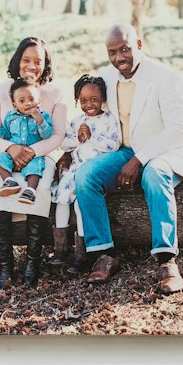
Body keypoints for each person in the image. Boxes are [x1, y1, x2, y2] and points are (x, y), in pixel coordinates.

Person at [74, 23, 183, 293]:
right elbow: (90, 115)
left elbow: (178, 130)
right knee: (84, 176)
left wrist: (139, 159)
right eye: (112, 52)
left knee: (154, 173)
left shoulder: (166, 77)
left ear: (139, 45)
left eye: (125, 49)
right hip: (125, 150)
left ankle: (166, 261)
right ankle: (104, 253)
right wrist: (69, 153)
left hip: (165, 152)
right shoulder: (107, 77)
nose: (119, 58)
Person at [0, 37, 66, 287]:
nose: (32, 66)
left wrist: (31, 151)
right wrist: (11, 148)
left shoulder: (55, 94)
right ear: (17, 61)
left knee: (41, 190)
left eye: (38, 61)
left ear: (46, 65)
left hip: (40, 157)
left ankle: (32, 263)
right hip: (4, 156)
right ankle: (5, 266)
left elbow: (57, 135)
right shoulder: (0, 91)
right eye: (26, 60)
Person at [49, 74, 120, 271]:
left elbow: (113, 145)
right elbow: (65, 143)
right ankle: (60, 248)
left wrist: (91, 137)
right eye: (83, 100)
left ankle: (82, 253)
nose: (88, 104)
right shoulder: (77, 120)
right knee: (61, 201)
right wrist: (78, 139)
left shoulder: (108, 119)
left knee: (81, 206)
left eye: (94, 100)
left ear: (103, 99)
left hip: (92, 172)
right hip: (74, 170)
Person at [0, 79, 54, 205]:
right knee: (0, 159)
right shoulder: (11, 117)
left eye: (31, 99)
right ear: (15, 104)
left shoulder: (43, 116)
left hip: (32, 155)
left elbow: (47, 135)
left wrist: (39, 119)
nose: (27, 103)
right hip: (13, 153)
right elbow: (6, 133)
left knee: (37, 166)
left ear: (38, 101)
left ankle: (30, 190)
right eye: (22, 101)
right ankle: (9, 181)